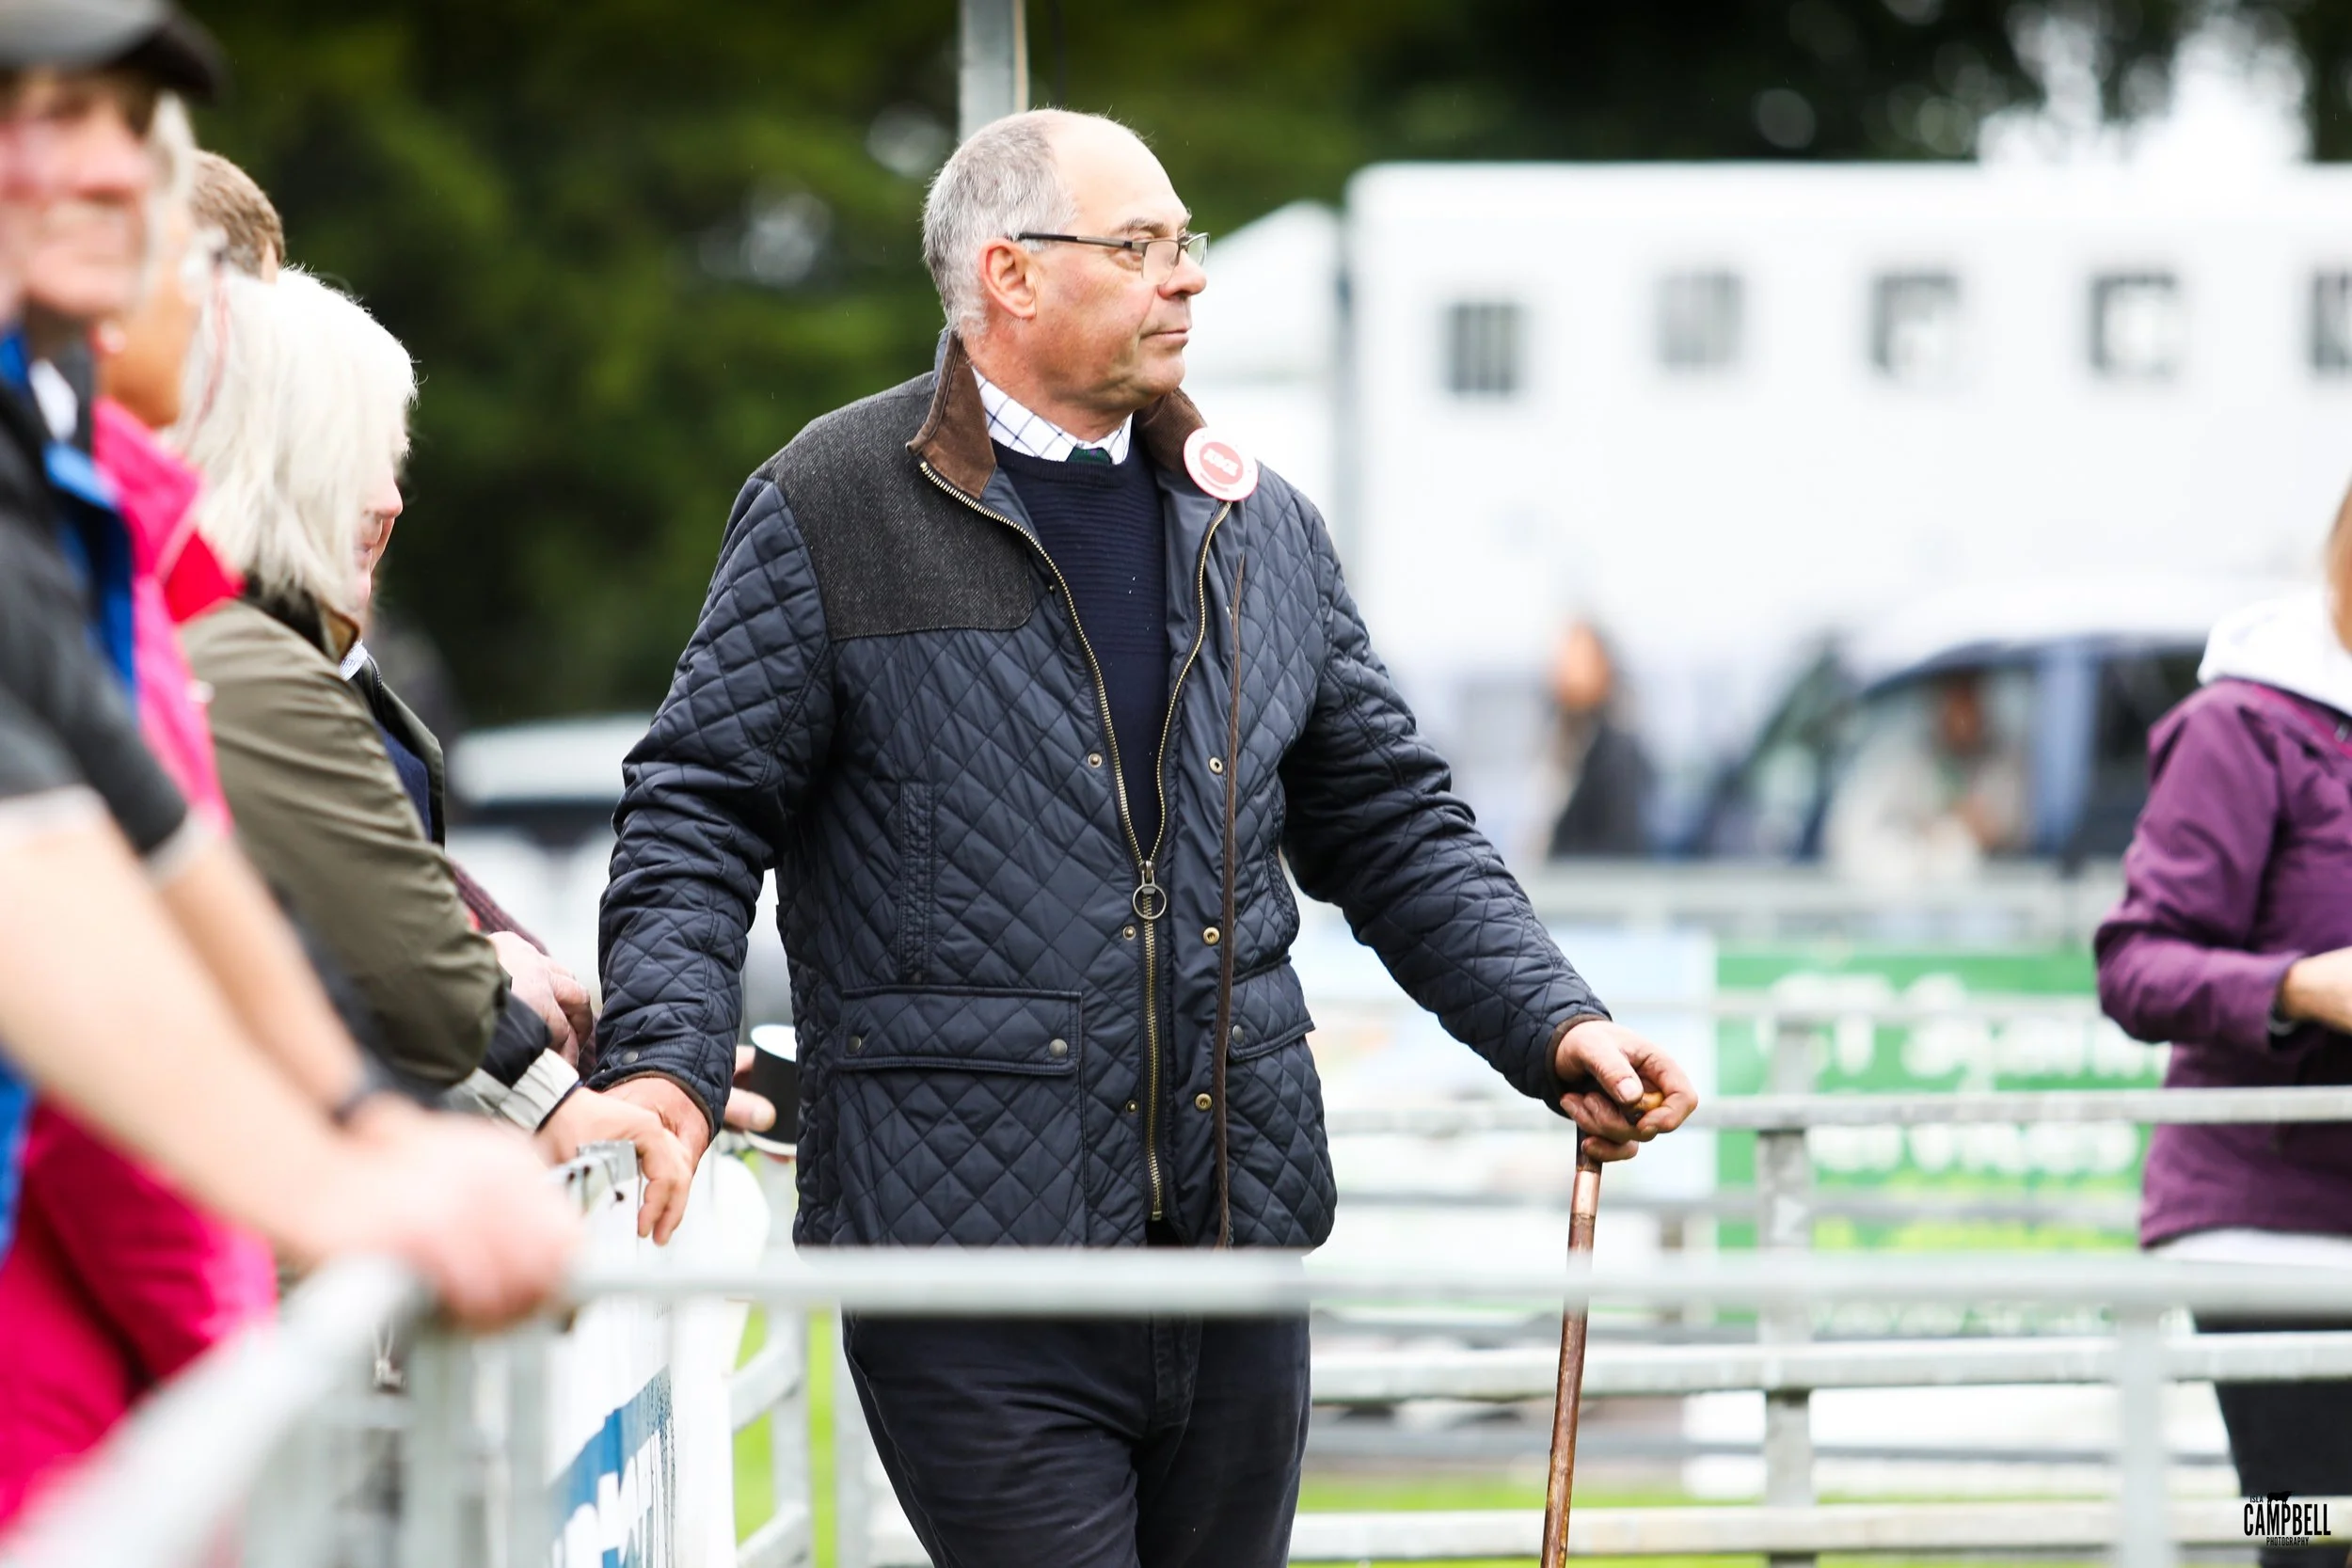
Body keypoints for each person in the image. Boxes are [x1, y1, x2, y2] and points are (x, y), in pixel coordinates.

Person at [595, 108, 1697, 1567]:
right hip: (972, 1279)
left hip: (1236, 1266)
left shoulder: (1260, 524)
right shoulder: (831, 504)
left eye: (1185, 243)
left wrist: (1553, 1021)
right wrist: (665, 1056)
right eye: (1141, 245)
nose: (1184, 277)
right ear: (1010, 275)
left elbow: (1394, 821)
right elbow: (697, 806)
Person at [0, 2, 575, 1329]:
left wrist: (360, 1125)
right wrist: (334, 1176)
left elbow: (150, 829)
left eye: (135, 134)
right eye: (51, 120)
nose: (106, 171)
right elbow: (32, 873)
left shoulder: (61, 477)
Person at [172, 265, 692, 1241]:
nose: (390, 498)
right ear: (269, 459)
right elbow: (405, 961)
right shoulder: (247, 663)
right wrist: (553, 1089)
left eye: (395, 461)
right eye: (361, 458)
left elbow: (401, 921)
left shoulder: (283, 651)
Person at [0, 80, 276, 1527]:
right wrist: (230, 1364)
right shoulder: (73, 545)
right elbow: (103, 996)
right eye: (205, 271)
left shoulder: (122, 541)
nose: (222, 321)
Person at [2097, 485, 2352, 1568]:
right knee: (2301, 1522)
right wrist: (2296, 985)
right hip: (2269, 1223)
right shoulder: (2242, 724)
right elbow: (2134, 962)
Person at [1825, 667, 2026, 880]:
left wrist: (1979, 829)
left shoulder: (2006, 761)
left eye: (1971, 697)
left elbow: (2009, 828)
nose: (1965, 713)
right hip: (1902, 898)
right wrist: (1922, 838)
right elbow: (1847, 834)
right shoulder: (1897, 757)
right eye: (1955, 697)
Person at [1542, 619, 1652, 859]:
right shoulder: (1560, 743)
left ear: (1604, 667)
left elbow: (1622, 845)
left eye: (1579, 660)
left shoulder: (1617, 751)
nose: (1567, 670)